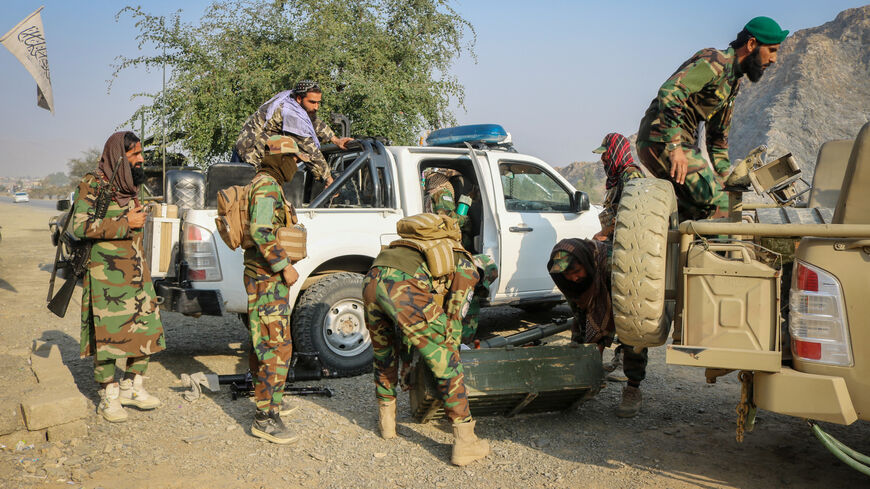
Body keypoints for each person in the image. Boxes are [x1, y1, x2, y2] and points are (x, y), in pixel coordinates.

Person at [363, 213, 490, 466]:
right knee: (446, 357)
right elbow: (453, 322)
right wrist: (446, 357)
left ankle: (387, 424)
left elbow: (407, 330)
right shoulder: (466, 266)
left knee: (384, 353)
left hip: (371, 280)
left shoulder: (415, 246)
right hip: (403, 288)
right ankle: (465, 441)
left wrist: (410, 363)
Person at [636, 16, 788, 221]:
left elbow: (717, 139)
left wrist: (728, 179)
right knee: (720, 205)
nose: (774, 59)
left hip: (680, 145)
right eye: (772, 50)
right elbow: (670, 91)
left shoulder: (732, 82)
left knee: (705, 208)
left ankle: (655, 238)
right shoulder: (715, 62)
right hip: (661, 139)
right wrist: (675, 148)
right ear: (752, 44)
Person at [72, 131, 165, 423]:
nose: (141, 159)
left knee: (148, 328)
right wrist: (126, 222)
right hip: (105, 275)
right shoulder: (93, 183)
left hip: (136, 269)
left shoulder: (129, 185)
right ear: (117, 156)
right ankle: (108, 396)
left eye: (140, 153)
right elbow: (79, 227)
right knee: (109, 336)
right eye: (134, 155)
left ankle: (132, 386)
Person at [243, 136, 310, 444]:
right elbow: (260, 230)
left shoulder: (265, 183)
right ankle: (265, 417)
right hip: (268, 277)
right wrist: (283, 264)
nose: (296, 165)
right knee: (275, 345)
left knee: (269, 341)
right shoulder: (267, 186)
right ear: (282, 158)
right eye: (294, 159)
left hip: (263, 277)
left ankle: (272, 401)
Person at [547, 239, 647, 418]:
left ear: (585, 262)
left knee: (632, 337)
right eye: (567, 275)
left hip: (625, 297)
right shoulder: (570, 280)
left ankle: (633, 388)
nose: (573, 278)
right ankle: (584, 383)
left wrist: (603, 334)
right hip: (598, 296)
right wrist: (589, 350)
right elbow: (580, 315)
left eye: (576, 271)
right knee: (580, 337)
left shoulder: (613, 264)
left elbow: (629, 303)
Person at [235, 79, 354, 187]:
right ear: (299, 99)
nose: (316, 107)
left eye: (318, 102)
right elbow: (309, 149)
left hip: (248, 148)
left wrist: (335, 140)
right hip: (251, 154)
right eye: (312, 102)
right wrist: (329, 180)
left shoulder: (291, 99)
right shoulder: (290, 113)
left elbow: (312, 122)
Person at [591, 133, 645, 241]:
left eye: (605, 153)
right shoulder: (617, 179)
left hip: (626, 245)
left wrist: (604, 233)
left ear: (616, 153)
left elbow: (633, 214)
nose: (602, 158)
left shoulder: (631, 176)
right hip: (616, 240)